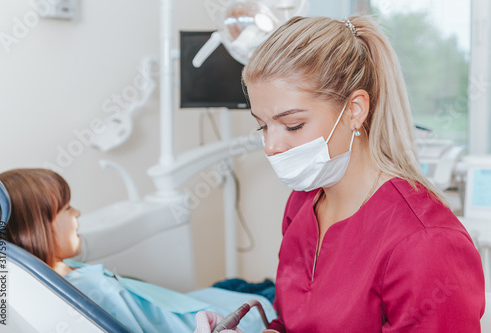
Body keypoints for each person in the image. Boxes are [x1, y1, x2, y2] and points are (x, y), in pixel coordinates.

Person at [195, 15, 485, 332]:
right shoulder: (303, 203)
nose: (271, 146)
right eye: (263, 126)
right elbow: (292, 320)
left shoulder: (425, 243)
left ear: (354, 110)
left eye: (293, 125)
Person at [0, 168, 276, 333]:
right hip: (225, 316)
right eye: (67, 209)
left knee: (239, 284)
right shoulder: (92, 290)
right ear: (37, 229)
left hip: (196, 302)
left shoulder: (62, 270)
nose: (77, 213)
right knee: (272, 292)